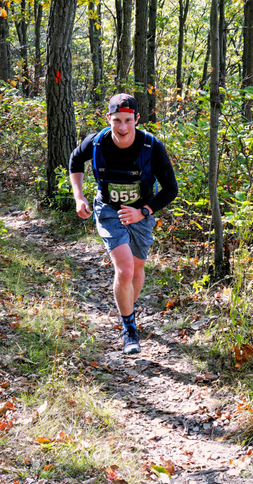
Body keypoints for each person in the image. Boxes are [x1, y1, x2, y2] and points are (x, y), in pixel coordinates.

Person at [69, 93, 178, 355]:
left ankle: (127, 306)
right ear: (108, 118)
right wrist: (79, 197)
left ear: (137, 119)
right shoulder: (96, 143)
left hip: (141, 212)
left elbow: (171, 189)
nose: (122, 127)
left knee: (137, 270)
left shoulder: (152, 147)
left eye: (128, 120)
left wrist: (144, 211)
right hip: (108, 209)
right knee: (126, 268)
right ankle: (129, 328)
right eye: (117, 120)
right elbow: (75, 161)